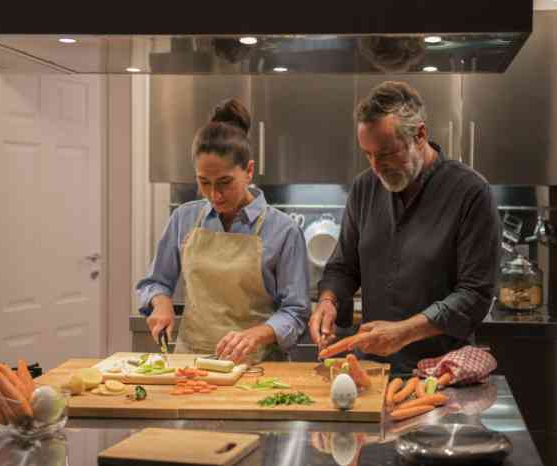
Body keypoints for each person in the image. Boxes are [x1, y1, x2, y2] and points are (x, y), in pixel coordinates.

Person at [309, 81, 500, 373]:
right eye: (368, 154)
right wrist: (328, 300)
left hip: (440, 372)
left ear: (420, 135)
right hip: (373, 371)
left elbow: (475, 295)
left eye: (386, 153)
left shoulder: (470, 192)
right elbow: (344, 266)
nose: (376, 166)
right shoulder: (365, 188)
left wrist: (404, 332)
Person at [136, 98, 309, 364]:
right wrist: (160, 303)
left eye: (225, 183)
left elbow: (296, 312)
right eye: (204, 182)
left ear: (249, 171)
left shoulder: (283, 231)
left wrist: (257, 335)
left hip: (258, 367)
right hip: (190, 364)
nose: (214, 195)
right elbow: (154, 282)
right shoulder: (184, 218)